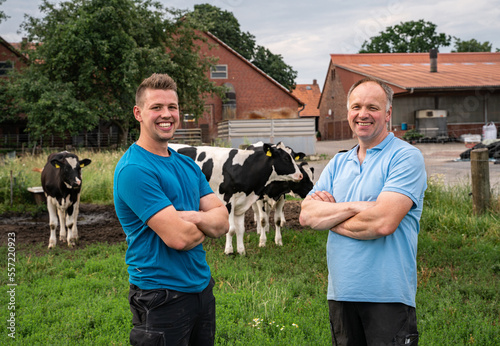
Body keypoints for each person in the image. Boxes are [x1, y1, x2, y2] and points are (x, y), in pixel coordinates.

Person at [299, 77, 427, 345]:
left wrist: (332, 216)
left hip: (387, 296)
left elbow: (382, 223)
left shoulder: (405, 157)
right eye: (356, 106)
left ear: (388, 113)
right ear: (348, 112)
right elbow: (307, 215)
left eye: (373, 107)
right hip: (341, 294)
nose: (363, 114)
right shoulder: (338, 162)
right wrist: (358, 207)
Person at [113, 73, 229, 345]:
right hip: (160, 297)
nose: (166, 114)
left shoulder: (187, 164)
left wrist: (189, 217)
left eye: (172, 107)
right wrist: (204, 222)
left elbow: (223, 222)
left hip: (201, 290)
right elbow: (180, 238)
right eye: (156, 107)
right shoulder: (134, 169)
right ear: (138, 113)